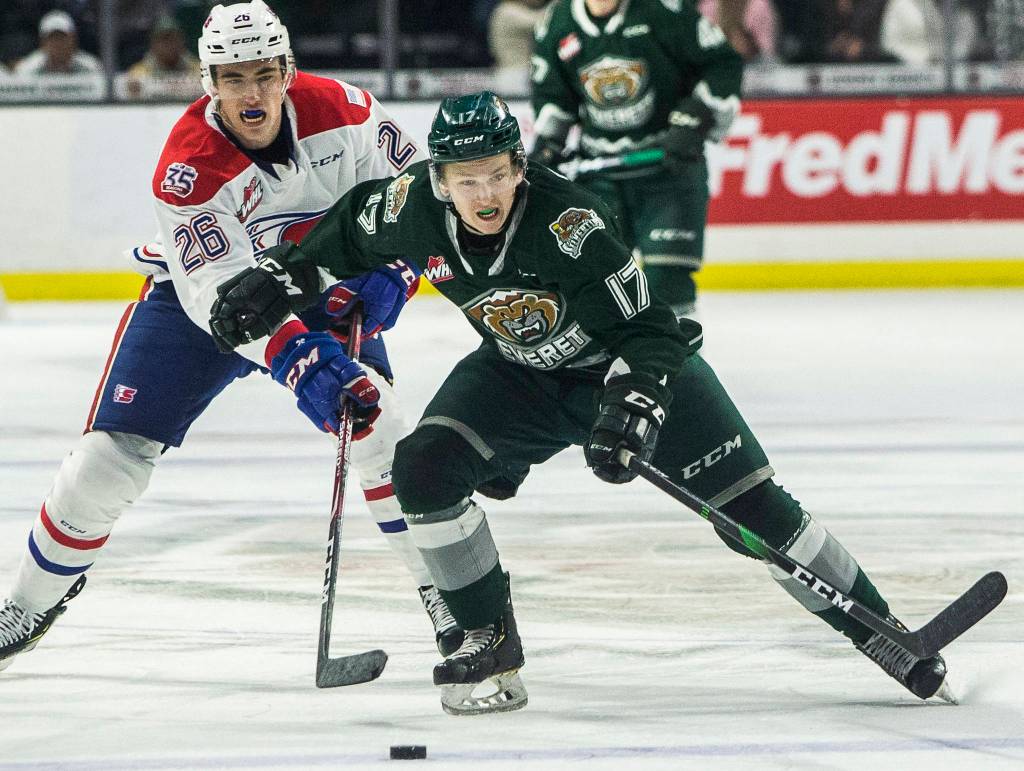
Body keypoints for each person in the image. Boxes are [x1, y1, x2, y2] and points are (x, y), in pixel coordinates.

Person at [206, 91, 953, 716]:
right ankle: (487, 640)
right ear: (439, 180)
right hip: (519, 376)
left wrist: (632, 407)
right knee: (424, 467)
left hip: (623, 368)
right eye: (466, 180)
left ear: (518, 168)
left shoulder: (572, 226)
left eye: (496, 175)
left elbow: (655, 333)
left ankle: (880, 628)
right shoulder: (409, 209)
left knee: (753, 512)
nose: (484, 194)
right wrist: (280, 274)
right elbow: (344, 231)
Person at [0, 0, 462, 674]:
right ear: (208, 82)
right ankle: (28, 604)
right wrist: (304, 362)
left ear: (287, 70)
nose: (253, 93)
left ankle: (447, 595)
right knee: (107, 460)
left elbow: (422, 201)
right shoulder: (188, 168)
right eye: (233, 77)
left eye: (265, 75)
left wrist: (398, 267)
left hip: (324, 284)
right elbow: (226, 301)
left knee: (379, 422)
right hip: (203, 307)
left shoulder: (351, 113)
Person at [529, 0, 742, 318]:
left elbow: (721, 63)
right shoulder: (557, 23)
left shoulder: (662, 10)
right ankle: (607, 365)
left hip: (668, 171)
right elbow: (552, 95)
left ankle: (680, 366)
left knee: (667, 282)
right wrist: (548, 145)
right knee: (598, 282)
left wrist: (695, 115)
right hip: (599, 179)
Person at [126, 14, 203, 100]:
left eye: (173, 39)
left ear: (182, 41)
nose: (169, 44)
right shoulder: (140, 71)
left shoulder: (197, 67)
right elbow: (133, 86)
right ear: (153, 44)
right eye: (164, 40)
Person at [13, 10, 101, 75]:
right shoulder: (28, 69)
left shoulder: (91, 68)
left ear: (73, 40)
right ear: (42, 43)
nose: (58, 43)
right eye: (52, 38)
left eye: (62, 37)